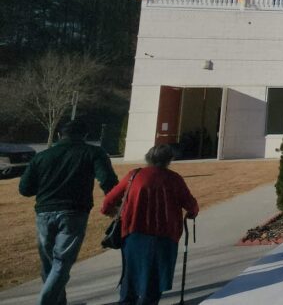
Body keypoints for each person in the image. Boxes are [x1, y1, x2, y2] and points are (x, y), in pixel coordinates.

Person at [19, 119, 118, 305]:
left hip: (44, 212)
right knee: (62, 262)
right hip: (74, 213)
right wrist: (114, 205)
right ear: (86, 135)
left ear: (59, 135)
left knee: (49, 263)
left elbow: (25, 189)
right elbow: (107, 181)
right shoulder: (93, 153)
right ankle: (46, 301)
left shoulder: (42, 156)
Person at [101, 144, 198, 305]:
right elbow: (190, 204)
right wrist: (192, 213)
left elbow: (108, 201)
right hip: (165, 234)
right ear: (169, 160)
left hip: (134, 232)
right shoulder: (174, 179)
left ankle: (126, 301)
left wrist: (112, 212)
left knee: (130, 274)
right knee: (155, 277)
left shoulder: (134, 175)